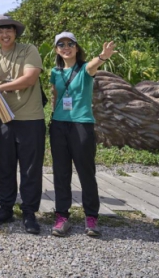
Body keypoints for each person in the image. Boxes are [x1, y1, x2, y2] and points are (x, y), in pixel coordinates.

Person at [0, 14, 45, 234]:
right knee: (4, 166)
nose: (4, 34)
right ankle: (6, 208)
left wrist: (0, 87)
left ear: (15, 32)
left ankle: (29, 212)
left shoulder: (29, 50)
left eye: (8, 29)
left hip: (31, 118)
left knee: (30, 168)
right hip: (2, 119)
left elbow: (30, 78)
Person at [50, 32, 116, 238]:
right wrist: (53, 117)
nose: (66, 47)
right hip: (59, 125)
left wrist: (103, 56)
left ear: (77, 48)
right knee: (61, 173)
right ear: (56, 49)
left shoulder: (85, 68)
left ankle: (91, 216)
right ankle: (62, 216)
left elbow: (94, 65)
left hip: (81, 124)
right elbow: (55, 95)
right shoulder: (55, 71)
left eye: (70, 43)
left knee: (86, 172)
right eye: (61, 44)